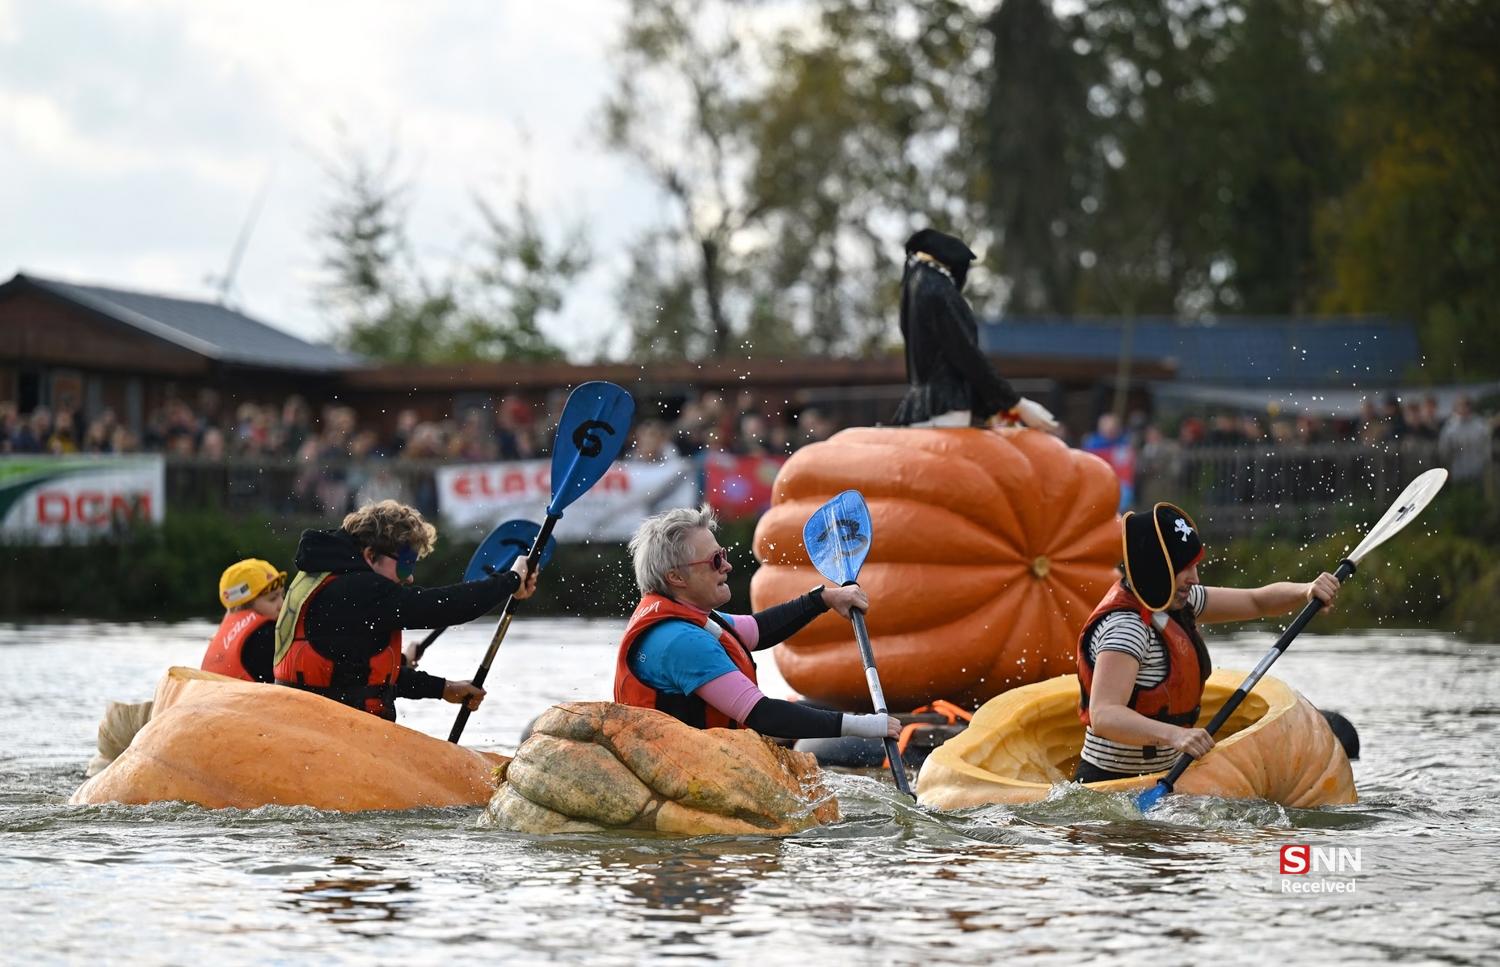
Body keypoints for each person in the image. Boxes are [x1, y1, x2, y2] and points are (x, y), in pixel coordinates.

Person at [1075, 502, 1341, 783]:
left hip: (1165, 774)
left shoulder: (1179, 602)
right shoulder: (1126, 628)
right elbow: (1104, 714)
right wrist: (1176, 735)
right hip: (1108, 780)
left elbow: (1256, 601)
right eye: (1184, 568)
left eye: (1195, 566)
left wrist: (1306, 591)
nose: (1195, 578)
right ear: (1157, 569)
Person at [615, 506, 900, 741]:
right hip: (679, 775)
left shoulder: (688, 619)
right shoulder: (680, 641)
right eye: (715, 560)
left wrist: (823, 599)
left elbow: (757, 630)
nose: (727, 566)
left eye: (723, 554)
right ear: (676, 578)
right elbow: (761, 715)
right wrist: (866, 726)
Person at [273, 499, 538, 721]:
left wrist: (443, 689)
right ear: (370, 555)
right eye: (405, 566)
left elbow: (359, 679)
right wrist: (510, 581)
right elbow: (441, 607)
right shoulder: (357, 589)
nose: (409, 578)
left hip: (307, 721)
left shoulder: (322, 576)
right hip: (329, 734)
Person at [889, 228, 1058, 432]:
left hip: (919, 410)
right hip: (946, 413)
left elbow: (951, 360)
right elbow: (965, 357)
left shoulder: (913, 288)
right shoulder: (937, 289)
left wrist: (997, 412)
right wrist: (1015, 404)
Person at [202, 559, 286, 683]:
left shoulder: (220, 634)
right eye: (272, 599)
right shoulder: (266, 635)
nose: (282, 605)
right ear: (245, 605)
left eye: (282, 595)